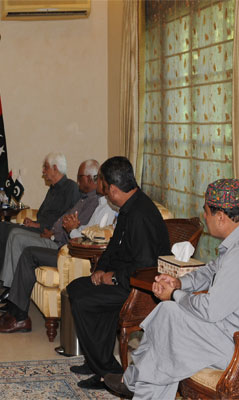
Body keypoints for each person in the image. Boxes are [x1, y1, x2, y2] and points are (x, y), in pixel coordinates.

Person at [104, 179, 239, 400]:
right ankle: (134, 381)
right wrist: (179, 283)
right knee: (167, 318)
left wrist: (175, 295)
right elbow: (211, 270)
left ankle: (133, 380)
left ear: (220, 217)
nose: (204, 217)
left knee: (168, 333)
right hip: (226, 331)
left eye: (206, 211)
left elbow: (210, 310)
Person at [66, 156, 171, 390]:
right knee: (76, 288)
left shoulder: (141, 214)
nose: (103, 191)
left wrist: (111, 278)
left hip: (139, 289)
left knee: (84, 301)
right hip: (123, 278)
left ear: (113, 189)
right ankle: (99, 362)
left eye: (103, 185)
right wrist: (101, 268)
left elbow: (146, 267)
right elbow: (114, 247)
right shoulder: (128, 207)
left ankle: (107, 372)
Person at [0, 161, 112, 333]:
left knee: (27, 251)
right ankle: (13, 312)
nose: (79, 182)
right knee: (15, 238)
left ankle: (19, 316)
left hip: (68, 252)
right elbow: (80, 227)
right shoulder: (95, 202)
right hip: (62, 243)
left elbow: (86, 238)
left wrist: (67, 230)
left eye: (99, 179)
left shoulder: (102, 206)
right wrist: (65, 229)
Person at [0, 152, 80, 302]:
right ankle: (0, 280)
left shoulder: (71, 188)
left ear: (55, 168)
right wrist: (34, 222)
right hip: (39, 226)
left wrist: (40, 225)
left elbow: (65, 218)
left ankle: (8, 286)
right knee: (2, 227)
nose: (43, 171)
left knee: (12, 232)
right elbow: (44, 213)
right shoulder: (52, 189)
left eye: (46, 167)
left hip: (48, 232)